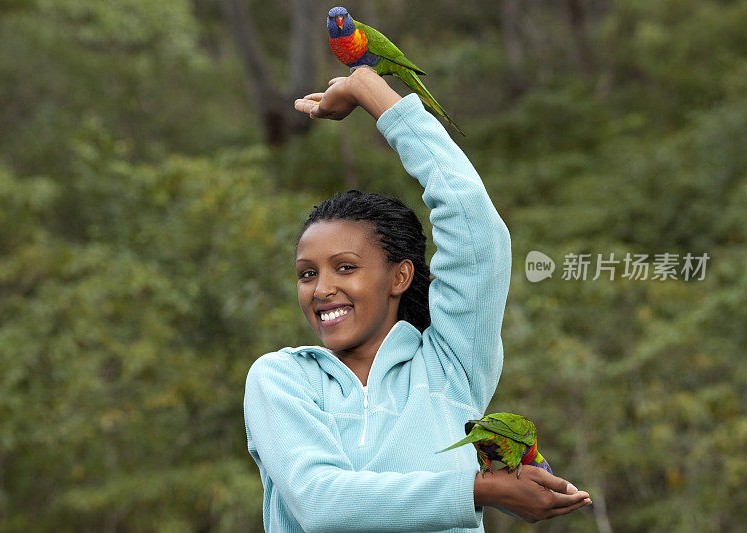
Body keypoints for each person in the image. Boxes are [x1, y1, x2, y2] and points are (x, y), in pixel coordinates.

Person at [243, 67, 591, 532]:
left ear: (399, 276)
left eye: (345, 267)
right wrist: (478, 490)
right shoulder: (281, 379)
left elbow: (476, 228)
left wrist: (371, 91)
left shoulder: (450, 367)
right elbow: (322, 503)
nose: (321, 288)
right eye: (307, 274)